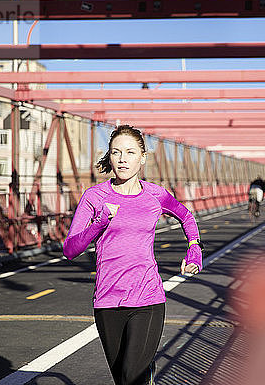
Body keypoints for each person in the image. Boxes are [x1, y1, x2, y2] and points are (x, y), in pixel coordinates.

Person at [62, 125, 203, 385]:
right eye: (116, 152)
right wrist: (99, 222)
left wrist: (194, 248)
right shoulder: (94, 197)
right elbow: (70, 250)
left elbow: (186, 216)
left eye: (130, 152)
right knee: (123, 379)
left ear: (142, 157)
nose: (123, 159)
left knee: (130, 376)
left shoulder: (155, 194)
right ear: (110, 157)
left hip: (147, 299)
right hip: (107, 300)